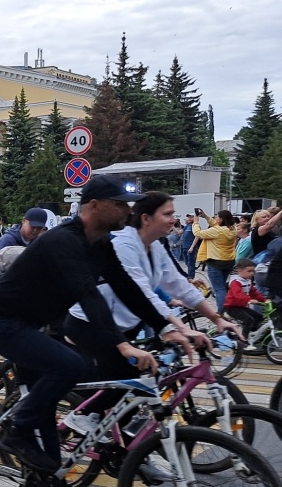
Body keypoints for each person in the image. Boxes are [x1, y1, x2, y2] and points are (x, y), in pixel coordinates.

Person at [0, 174, 166, 487]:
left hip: (33, 326)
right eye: (120, 204)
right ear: (94, 206)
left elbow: (126, 287)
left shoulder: (100, 242)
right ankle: (16, 432)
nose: (128, 210)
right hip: (3, 325)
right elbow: (88, 295)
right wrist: (122, 345)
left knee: (47, 413)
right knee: (70, 367)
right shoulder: (64, 241)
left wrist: (167, 327)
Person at [60, 192, 230, 464]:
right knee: (134, 375)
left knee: (141, 386)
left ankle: (130, 453)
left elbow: (177, 284)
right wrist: (173, 328)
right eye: (168, 214)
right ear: (146, 218)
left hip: (122, 328)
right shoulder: (125, 244)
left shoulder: (155, 246)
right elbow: (141, 293)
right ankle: (78, 419)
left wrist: (217, 318)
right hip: (91, 325)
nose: (173, 219)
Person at [192, 209, 238, 311]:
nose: (215, 218)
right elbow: (215, 224)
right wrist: (205, 216)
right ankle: (227, 306)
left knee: (219, 289)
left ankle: (221, 312)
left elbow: (198, 233)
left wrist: (195, 222)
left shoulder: (217, 231)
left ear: (221, 219)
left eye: (217, 216)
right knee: (222, 285)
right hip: (228, 261)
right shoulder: (233, 229)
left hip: (216, 261)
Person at [223, 258, 267, 346]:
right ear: (240, 271)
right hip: (232, 307)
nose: (252, 273)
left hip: (241, 306)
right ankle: (243, 341)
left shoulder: (247, 280)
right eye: (249, 271)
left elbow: (253, 292)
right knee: (249, 319)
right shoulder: (236, 281)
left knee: (259, 317)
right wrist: (249, 300)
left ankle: (252, 335)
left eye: (253, 271)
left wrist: (264, 300)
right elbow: (237, 294)